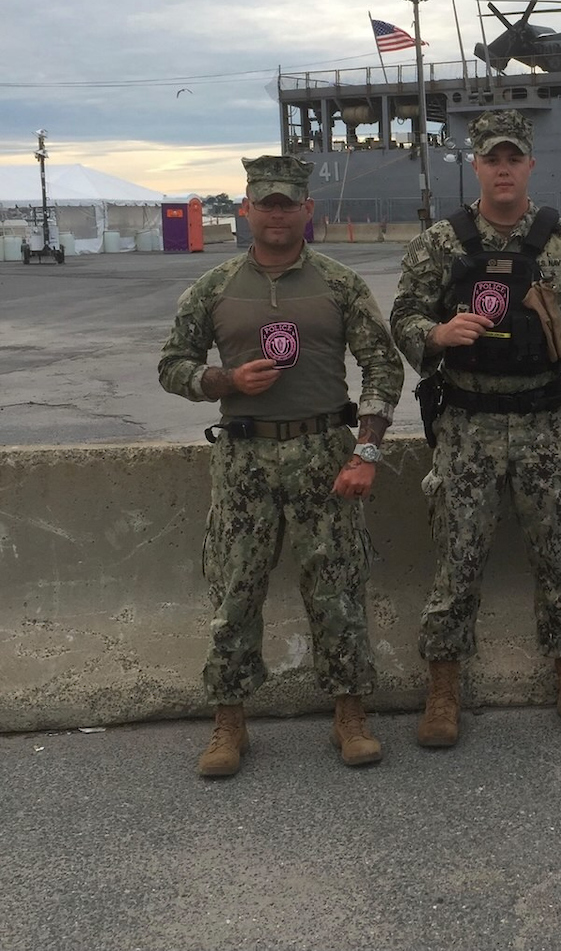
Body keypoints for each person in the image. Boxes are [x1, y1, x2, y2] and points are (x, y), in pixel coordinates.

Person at [390, 110, 561, 747]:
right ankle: (443, 690)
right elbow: (404, 316)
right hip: (466, 422)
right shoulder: (441, 243)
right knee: (457, 559)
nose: (502, 168)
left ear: (529, 165)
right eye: (491, 158)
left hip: (546, 420)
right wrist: (437, 335)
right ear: (475, 164)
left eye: (513, 158)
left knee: (557, 556)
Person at [159, 154, 404, 777]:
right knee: (235, 593)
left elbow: (382, 366)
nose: (276, 212)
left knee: (338, 590)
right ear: (246, 209)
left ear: (306, 210)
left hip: (324, 452)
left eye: (287, 202)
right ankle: (229, 721)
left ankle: (349, 715)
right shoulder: (213, 287)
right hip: (243, 456)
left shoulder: (339, 284)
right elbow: (173, 365)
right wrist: (222, 378)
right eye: (265, 202)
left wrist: (366, 449)